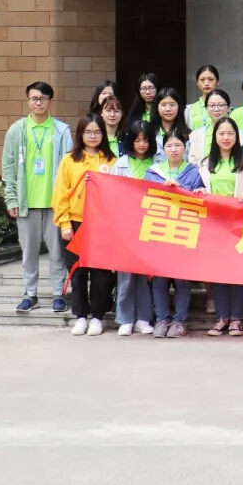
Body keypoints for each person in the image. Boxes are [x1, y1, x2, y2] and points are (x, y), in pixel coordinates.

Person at [5, 82, 73, 314]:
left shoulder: (61, 130)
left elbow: (70, 168)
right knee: (28, 253)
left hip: (56, 203)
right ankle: (30, 294)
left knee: (57, 252)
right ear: (28, 100)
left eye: (43, 98)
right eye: (34, 98)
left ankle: (58, 294)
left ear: (50, 101)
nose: (38, 103)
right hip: (27, 203)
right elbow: (9, 166)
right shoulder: (17, 130)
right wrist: (11, 199)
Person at [53, 113, 117, 336]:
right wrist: (64, 223)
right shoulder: (70, 160)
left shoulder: (111, 160)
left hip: (102, 225)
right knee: (78, 273)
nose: (92, 136)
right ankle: (80, 316)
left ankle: (98, 316)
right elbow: (60, 193)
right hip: (75, 223)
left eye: (97, 132)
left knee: (102, 274)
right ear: (80, 134)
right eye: (88, 132)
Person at [199, 116, 243, 338]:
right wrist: (200, 191)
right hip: (213, 225)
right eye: (221, 133)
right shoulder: (205, 164)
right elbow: (196, 187)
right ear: (215, 137)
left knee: (237, 273)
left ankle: (236, 319)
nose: (226, 138)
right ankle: (222, 317)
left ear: (237, 137)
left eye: (230, 133)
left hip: (239, 225)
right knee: (217, 273)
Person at [145, 130, 204, 339]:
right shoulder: (153, 172)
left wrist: (182, 191)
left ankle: (179, 320)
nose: (174, 149)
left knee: (182, 279)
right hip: (159, 231)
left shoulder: (193, 172)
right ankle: (161, 319)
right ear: (163, 149)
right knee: (159, 279)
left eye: (178, 145)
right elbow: (145, 197)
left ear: (185, 148)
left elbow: (200, 199)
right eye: (169, 145)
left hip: (184, 232)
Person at [110, 120, 158, 336]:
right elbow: (111, 194)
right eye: (137, 140)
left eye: (145, 140)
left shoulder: (158, 162)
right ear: (130, 141)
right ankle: (125, 318)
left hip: (150, 224)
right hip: (126, 226)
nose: (141, 144)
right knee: (126, 274)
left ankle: (143, 318)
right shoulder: (120, 164)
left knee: (145, 275)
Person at [188, 88, 231, 166]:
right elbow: (192, 163)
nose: (216, 109)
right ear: (206, 108)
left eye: (221, 105)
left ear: (228, 108)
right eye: (212, 105)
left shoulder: (239, 134)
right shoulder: (196, 135)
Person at [150, 87, 192, 161]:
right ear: (157, 107)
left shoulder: (189, 135)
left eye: (172, 105)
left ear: (179, 107)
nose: (168, 109)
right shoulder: (149, 134)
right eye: (163, 105)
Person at [185, 65, 219, 130]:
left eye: (210, 79)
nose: (206, 83)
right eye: (202, 80)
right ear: (197, 83)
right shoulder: (188, 110)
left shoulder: (226, 109)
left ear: (217, 82)